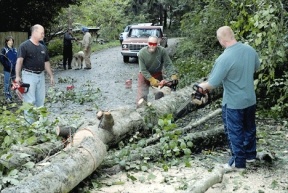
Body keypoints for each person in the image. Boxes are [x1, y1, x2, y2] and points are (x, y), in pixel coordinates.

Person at [197, 26, 260, 171]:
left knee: (234, 132)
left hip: (233, 103)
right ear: (232, 35)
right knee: (249, 128)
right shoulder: (250, 50)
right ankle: (250, 155)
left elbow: (212, 83)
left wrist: (200, 86)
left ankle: (238, 164)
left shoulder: (224, 58)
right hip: (250, 99)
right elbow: (256, 67)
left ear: (221, 40)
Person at [15, 24, 55, 122]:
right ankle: (30, 126)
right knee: (29, 101)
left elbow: (46, 63)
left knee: (40, 101)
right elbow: (19, 61)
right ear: (35, 32)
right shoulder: (24, 46)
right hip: (28, 75)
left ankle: (41, 125)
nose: (43, 35)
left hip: (40, 76)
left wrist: (51, 75)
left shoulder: (43, 47)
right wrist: (17, 76)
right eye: (42, 33)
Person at [137, 35, 178, 103]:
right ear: (147, 43)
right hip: (144, 75)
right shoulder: (142, 53)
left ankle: (159, 107)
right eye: (150, 44)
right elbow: (143, 70)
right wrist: (151, 79)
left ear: (157, 44)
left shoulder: (162, 51)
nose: (152, 46)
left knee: (161, 93)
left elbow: (168, 64)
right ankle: (141, 109)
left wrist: (173, 74)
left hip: (157, 73)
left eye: (154, 44)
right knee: (142, 95)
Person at [0, 36, 17, 102]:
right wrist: (8, 66)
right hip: (7, 70)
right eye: (10, 40)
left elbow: (17, 58)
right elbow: (2, 59)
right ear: (7, 42)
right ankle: (7, 97)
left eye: (12, 40)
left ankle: (15, 95)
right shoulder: (4, 50)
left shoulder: (15, 50)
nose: (11, 42)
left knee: (15, 83)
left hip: (14, 70)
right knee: (7, 83)